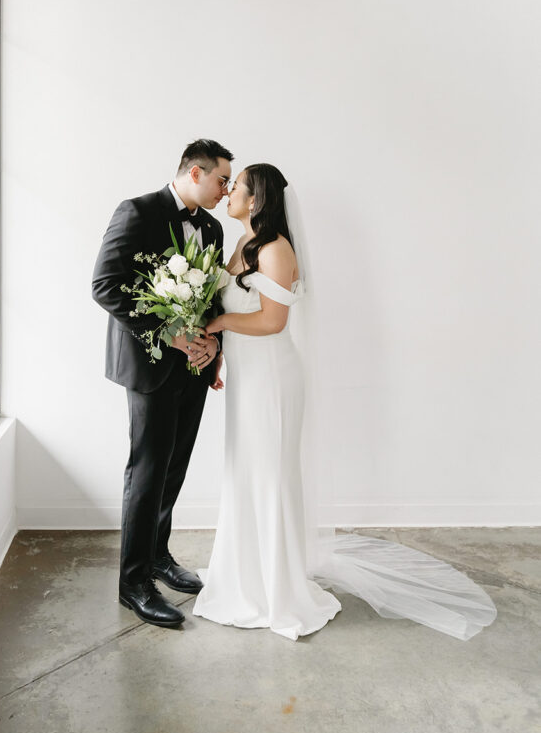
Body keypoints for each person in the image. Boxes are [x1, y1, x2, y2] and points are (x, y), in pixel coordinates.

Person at [193, 163, 497, 642]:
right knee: (246, 474)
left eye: (237, 186)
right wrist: (216, 357)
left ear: (256, 200)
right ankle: (243, 579)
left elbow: (273, 323)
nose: (228, 191)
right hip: (247, 380)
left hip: (272, 381)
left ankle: (277, 591)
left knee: (270, 477)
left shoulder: (275, 250)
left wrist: (218, 327)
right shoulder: (242, 246)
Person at [92, 139, 234, 628]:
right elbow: (105, 284)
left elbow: (215, 299)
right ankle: (133, 584)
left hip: (194, 367)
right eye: (222, 180)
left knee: (175, 467)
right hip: (151, 364)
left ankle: (158, 557)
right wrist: (171, 335)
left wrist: (214, 351)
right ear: (195, 173)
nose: (226, 189)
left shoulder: (212, 228)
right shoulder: (136, 211)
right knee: (147, 471)